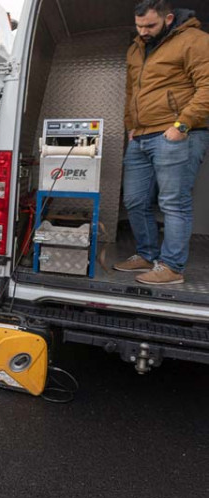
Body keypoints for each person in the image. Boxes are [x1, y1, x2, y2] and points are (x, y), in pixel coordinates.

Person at [114, 0, 209, 285]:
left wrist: (182, 125)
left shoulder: (195, 40)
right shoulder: (136, 47)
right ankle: (146, 254)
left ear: (168, 18)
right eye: (138, 25)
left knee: (173, 203)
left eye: (149, 25)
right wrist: (131, 126)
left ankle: (171, 267)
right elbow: (132, 91)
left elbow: (207, 86)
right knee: (134, 200)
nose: (142, 31)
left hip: (177, 133)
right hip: (141, 136)